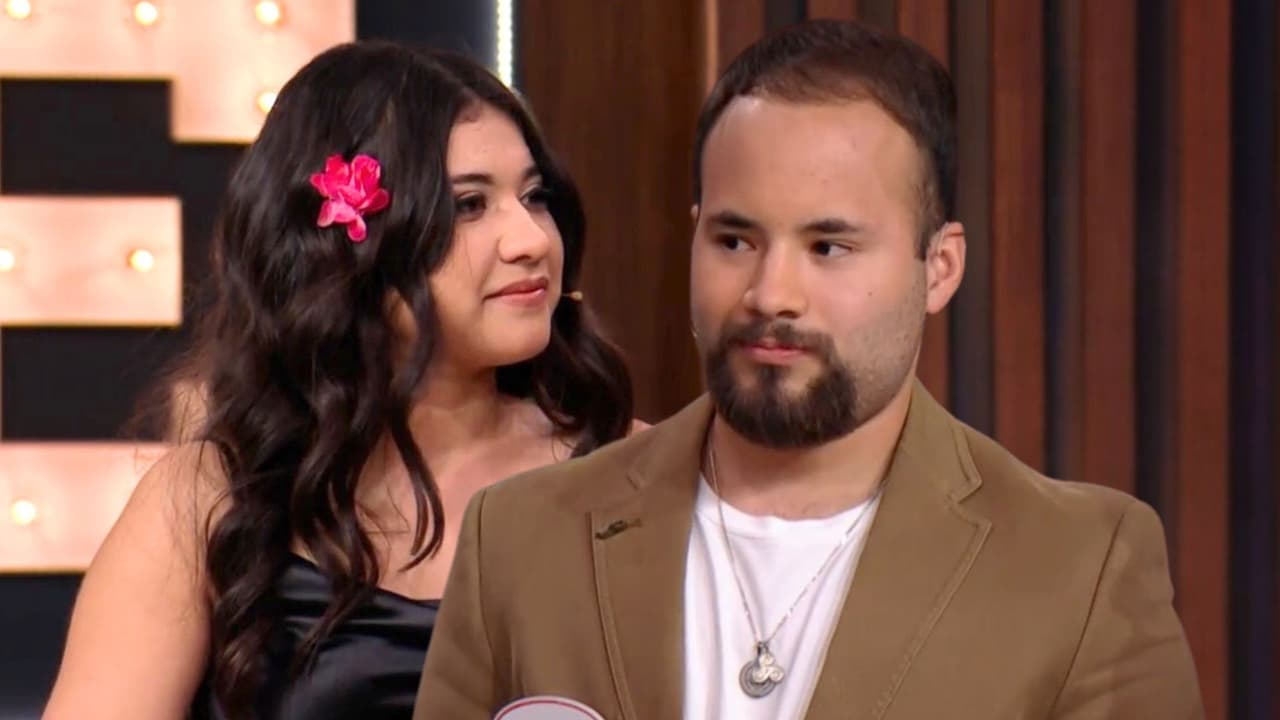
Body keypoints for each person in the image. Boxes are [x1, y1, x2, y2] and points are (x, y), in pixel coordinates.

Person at [413, 19, 1202, 720]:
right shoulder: (519, 538)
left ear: (940, 268)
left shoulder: (1081, 568)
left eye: (828, 247)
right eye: (734, 241)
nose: (770, 294)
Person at [43, 40, 636, 720]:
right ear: (346, 243)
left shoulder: (638, 476)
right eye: (470, 205)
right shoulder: (206, 503)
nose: (530, 239)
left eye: (535, 196)